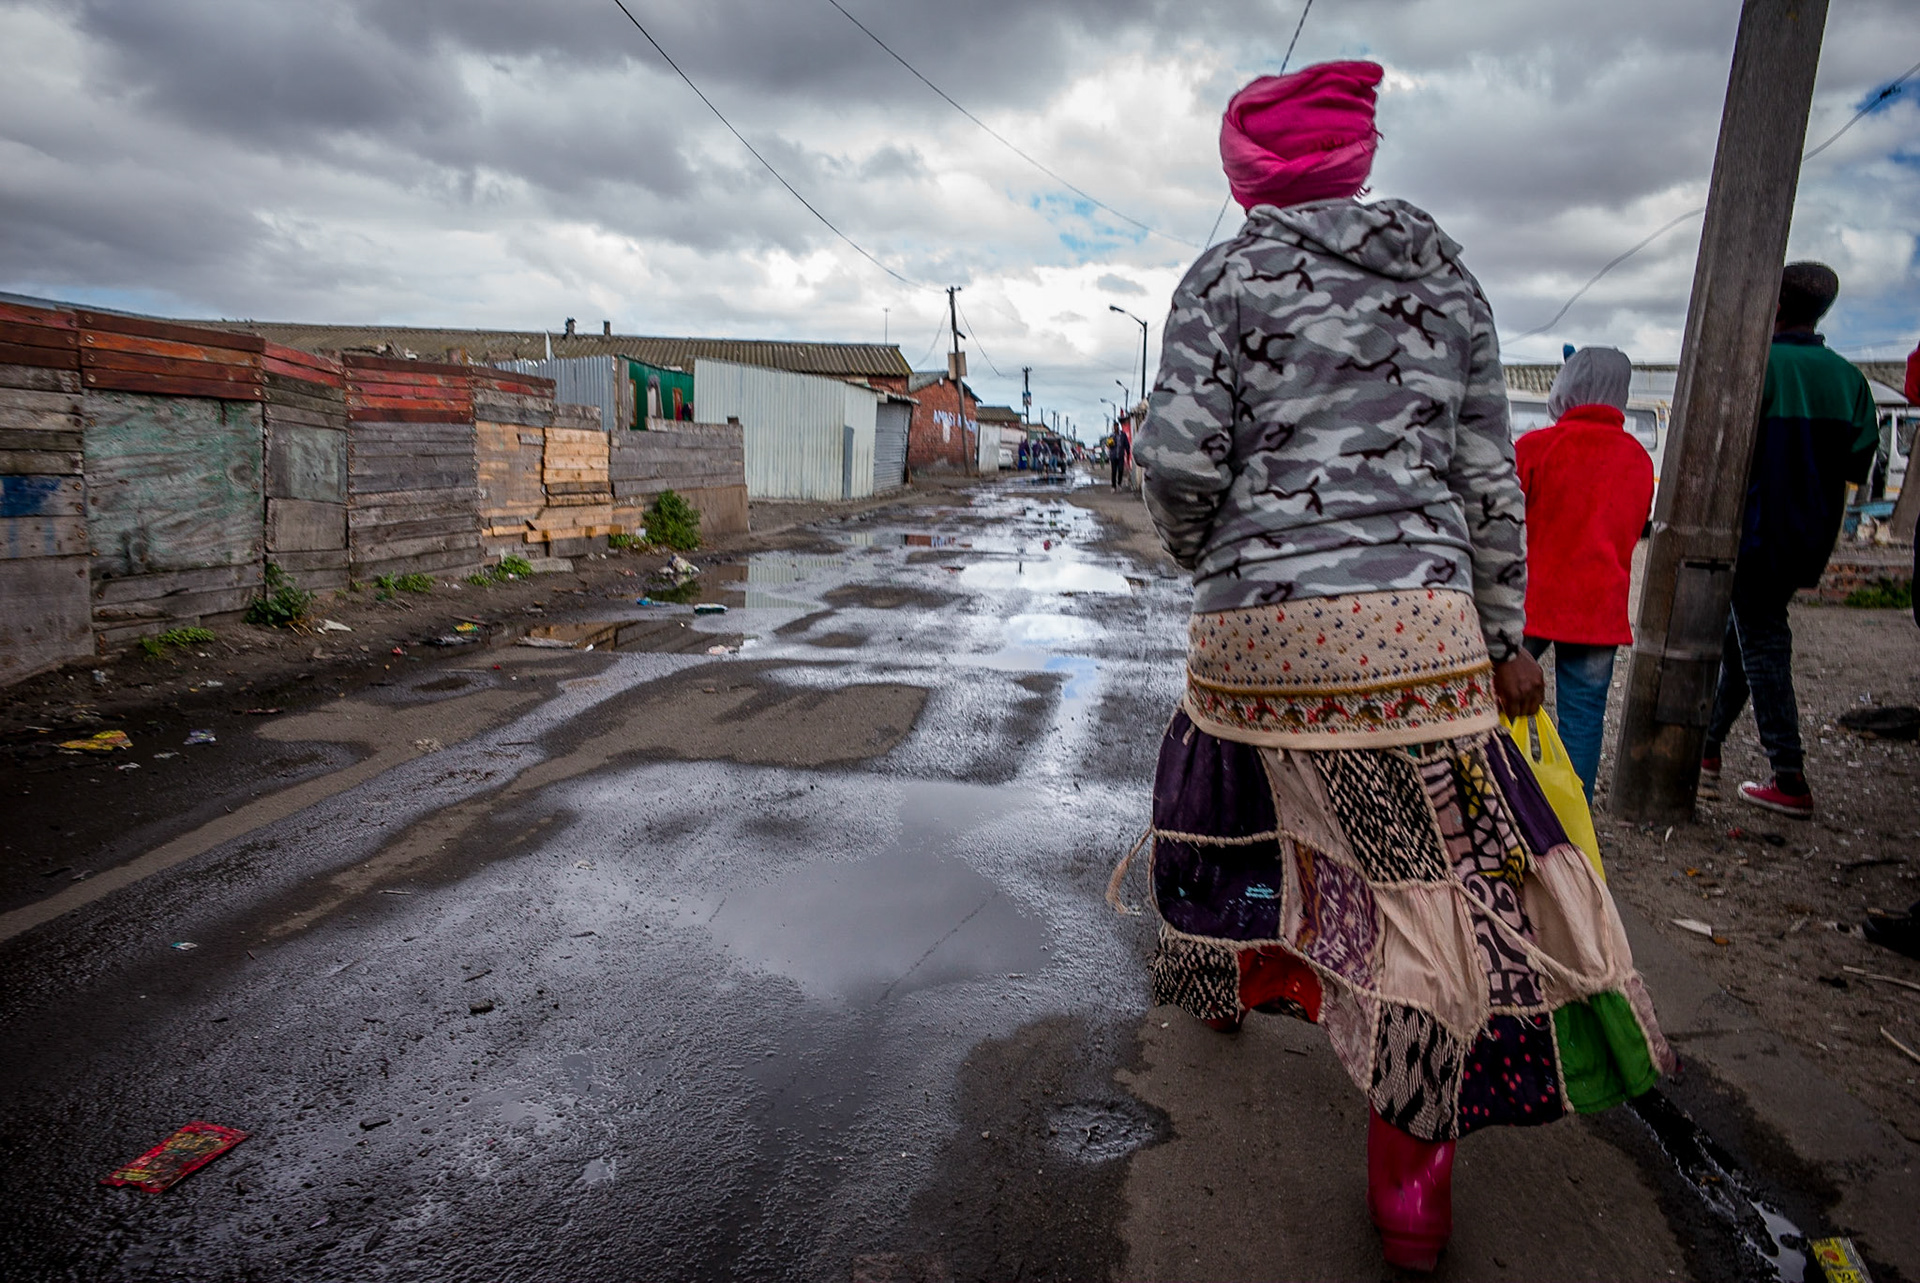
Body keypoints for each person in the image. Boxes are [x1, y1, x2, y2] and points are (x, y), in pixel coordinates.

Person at [1129, 61, 1672, 1273]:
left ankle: (1235, 985)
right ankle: (1411, 1188)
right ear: (1359, 157)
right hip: (1418, 643)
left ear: (1250, 172)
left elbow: (1175, 461)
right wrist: (1504, 634)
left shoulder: (1223, 276)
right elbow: (1489, 484)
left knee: (1240, 808)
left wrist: (1206, 558)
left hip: (1259, 638)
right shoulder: (1448, 280)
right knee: (1428, 895)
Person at [1699, 264, 1879, 817]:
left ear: (1774, 307)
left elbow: (1720, 450)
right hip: (1809, 538)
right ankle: (1706, 751)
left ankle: (1789, 775)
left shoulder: (1758, 367)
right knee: (1744, 639)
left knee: (1762, 642)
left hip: (1754, 535)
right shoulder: (1851, 380)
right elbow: (1858, 461)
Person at [1513, 347, 1655, 802]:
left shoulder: (1534, 448)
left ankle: (1499, 810)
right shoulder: (1638, 459)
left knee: (1498, 710)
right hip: (1598, 610)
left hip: (1527, 606)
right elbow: (1631, 530)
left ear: (1564, 387)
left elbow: (1503, 525)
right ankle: (1574, 827)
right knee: (1584, 718)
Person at [1110, 420, 1132, 489]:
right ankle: (1113, 486)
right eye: (1114, 427)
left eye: (1116, 426)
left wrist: (1128, 452)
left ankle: (1119, 483)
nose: (1115, 428)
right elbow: (1109, 445)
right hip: (1113, 456)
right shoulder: (1112, 435)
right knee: (1114, 471)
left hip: (1120, 456)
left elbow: (1126, 444)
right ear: (1113, 428)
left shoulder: (1123, 435)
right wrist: (1110, 443)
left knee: (1120, 470)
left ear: (1118, 427)